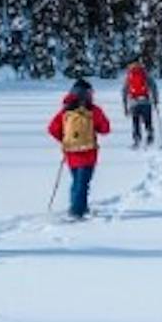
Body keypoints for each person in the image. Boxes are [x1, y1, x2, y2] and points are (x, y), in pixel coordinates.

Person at [47, 78, 111, 219]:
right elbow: (106, 129)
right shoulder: (93, 110)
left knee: (77, 181)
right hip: (88, 153)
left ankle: (79, 207)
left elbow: (52, 128)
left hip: (71, 153)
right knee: (83, 183)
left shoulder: (66, 110)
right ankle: (77, 212)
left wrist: (65, 140)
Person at [122, 60, 160, 148]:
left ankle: (137, 140)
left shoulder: (129, 75)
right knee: (148, 121)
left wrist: (125, 105)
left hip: (134, 102)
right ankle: (150, 137)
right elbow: (153, 87)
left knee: (135, 122)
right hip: (146, 101)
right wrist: (155, 100)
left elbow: (124, 91)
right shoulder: (145, 73)